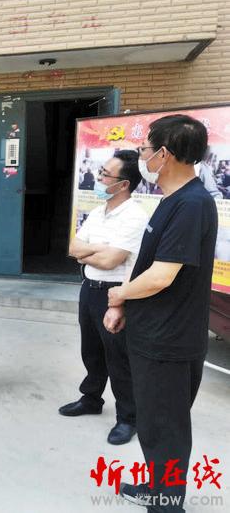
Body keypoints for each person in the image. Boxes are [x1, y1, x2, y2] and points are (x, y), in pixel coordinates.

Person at [105, 115, 217, 512]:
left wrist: (117, 295)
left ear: (164, 154)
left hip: (169, 341)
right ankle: (157, 488)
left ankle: (167, 504)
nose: (142, 157)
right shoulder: (173, 199)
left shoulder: (191, 205)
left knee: (166, 428)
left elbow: (161, 276)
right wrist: (127, 307)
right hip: (154, 332)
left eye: (144, 150)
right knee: (154, 423)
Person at [60, 150, 148, 445]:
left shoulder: (134, 216)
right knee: (91, 350)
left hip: (114, 293)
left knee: (118, 358)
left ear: (123, 184)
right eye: (100, 172)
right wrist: (100, 249)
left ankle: (128, 418)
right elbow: (74, 248)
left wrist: (92, 252)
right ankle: (91, 398)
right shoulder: (99, 212)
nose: (98, 178)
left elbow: (112, 262)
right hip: (89, 288)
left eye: (105, 175)